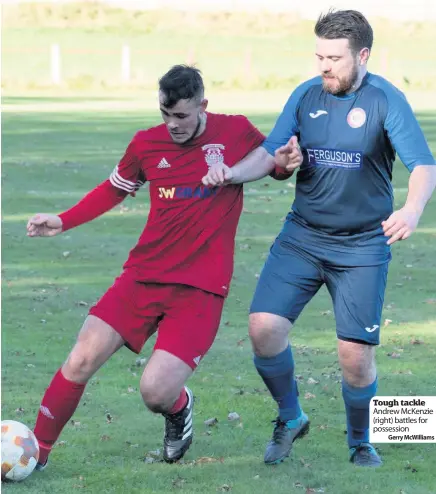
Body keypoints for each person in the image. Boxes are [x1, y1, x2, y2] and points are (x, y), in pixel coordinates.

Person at [27, 64, 303, 470]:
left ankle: (178, 409)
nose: (172, 124)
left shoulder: (235, 131)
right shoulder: (146, 144)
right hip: (143, 276)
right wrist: (63, 219)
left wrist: (286, 163)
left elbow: (272, 164)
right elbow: (113, 190)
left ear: (203, 105)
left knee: (155, 391)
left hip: (200, 289)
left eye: (181, 116)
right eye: (164, 114)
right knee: (80, 358)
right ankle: (36, 455)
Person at [202, 10, 436, 467]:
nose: (324, 66)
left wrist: (411, 209)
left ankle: (360, 441)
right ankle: (290, 418)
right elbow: (273, 153)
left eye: (334, 57)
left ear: (362, 55)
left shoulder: (387, 100)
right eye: (319, 56)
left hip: (363, 246)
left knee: (355, 357)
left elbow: (424, 165)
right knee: (263, 328)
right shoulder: (306, 94)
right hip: (303, 237)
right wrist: (236, 173)